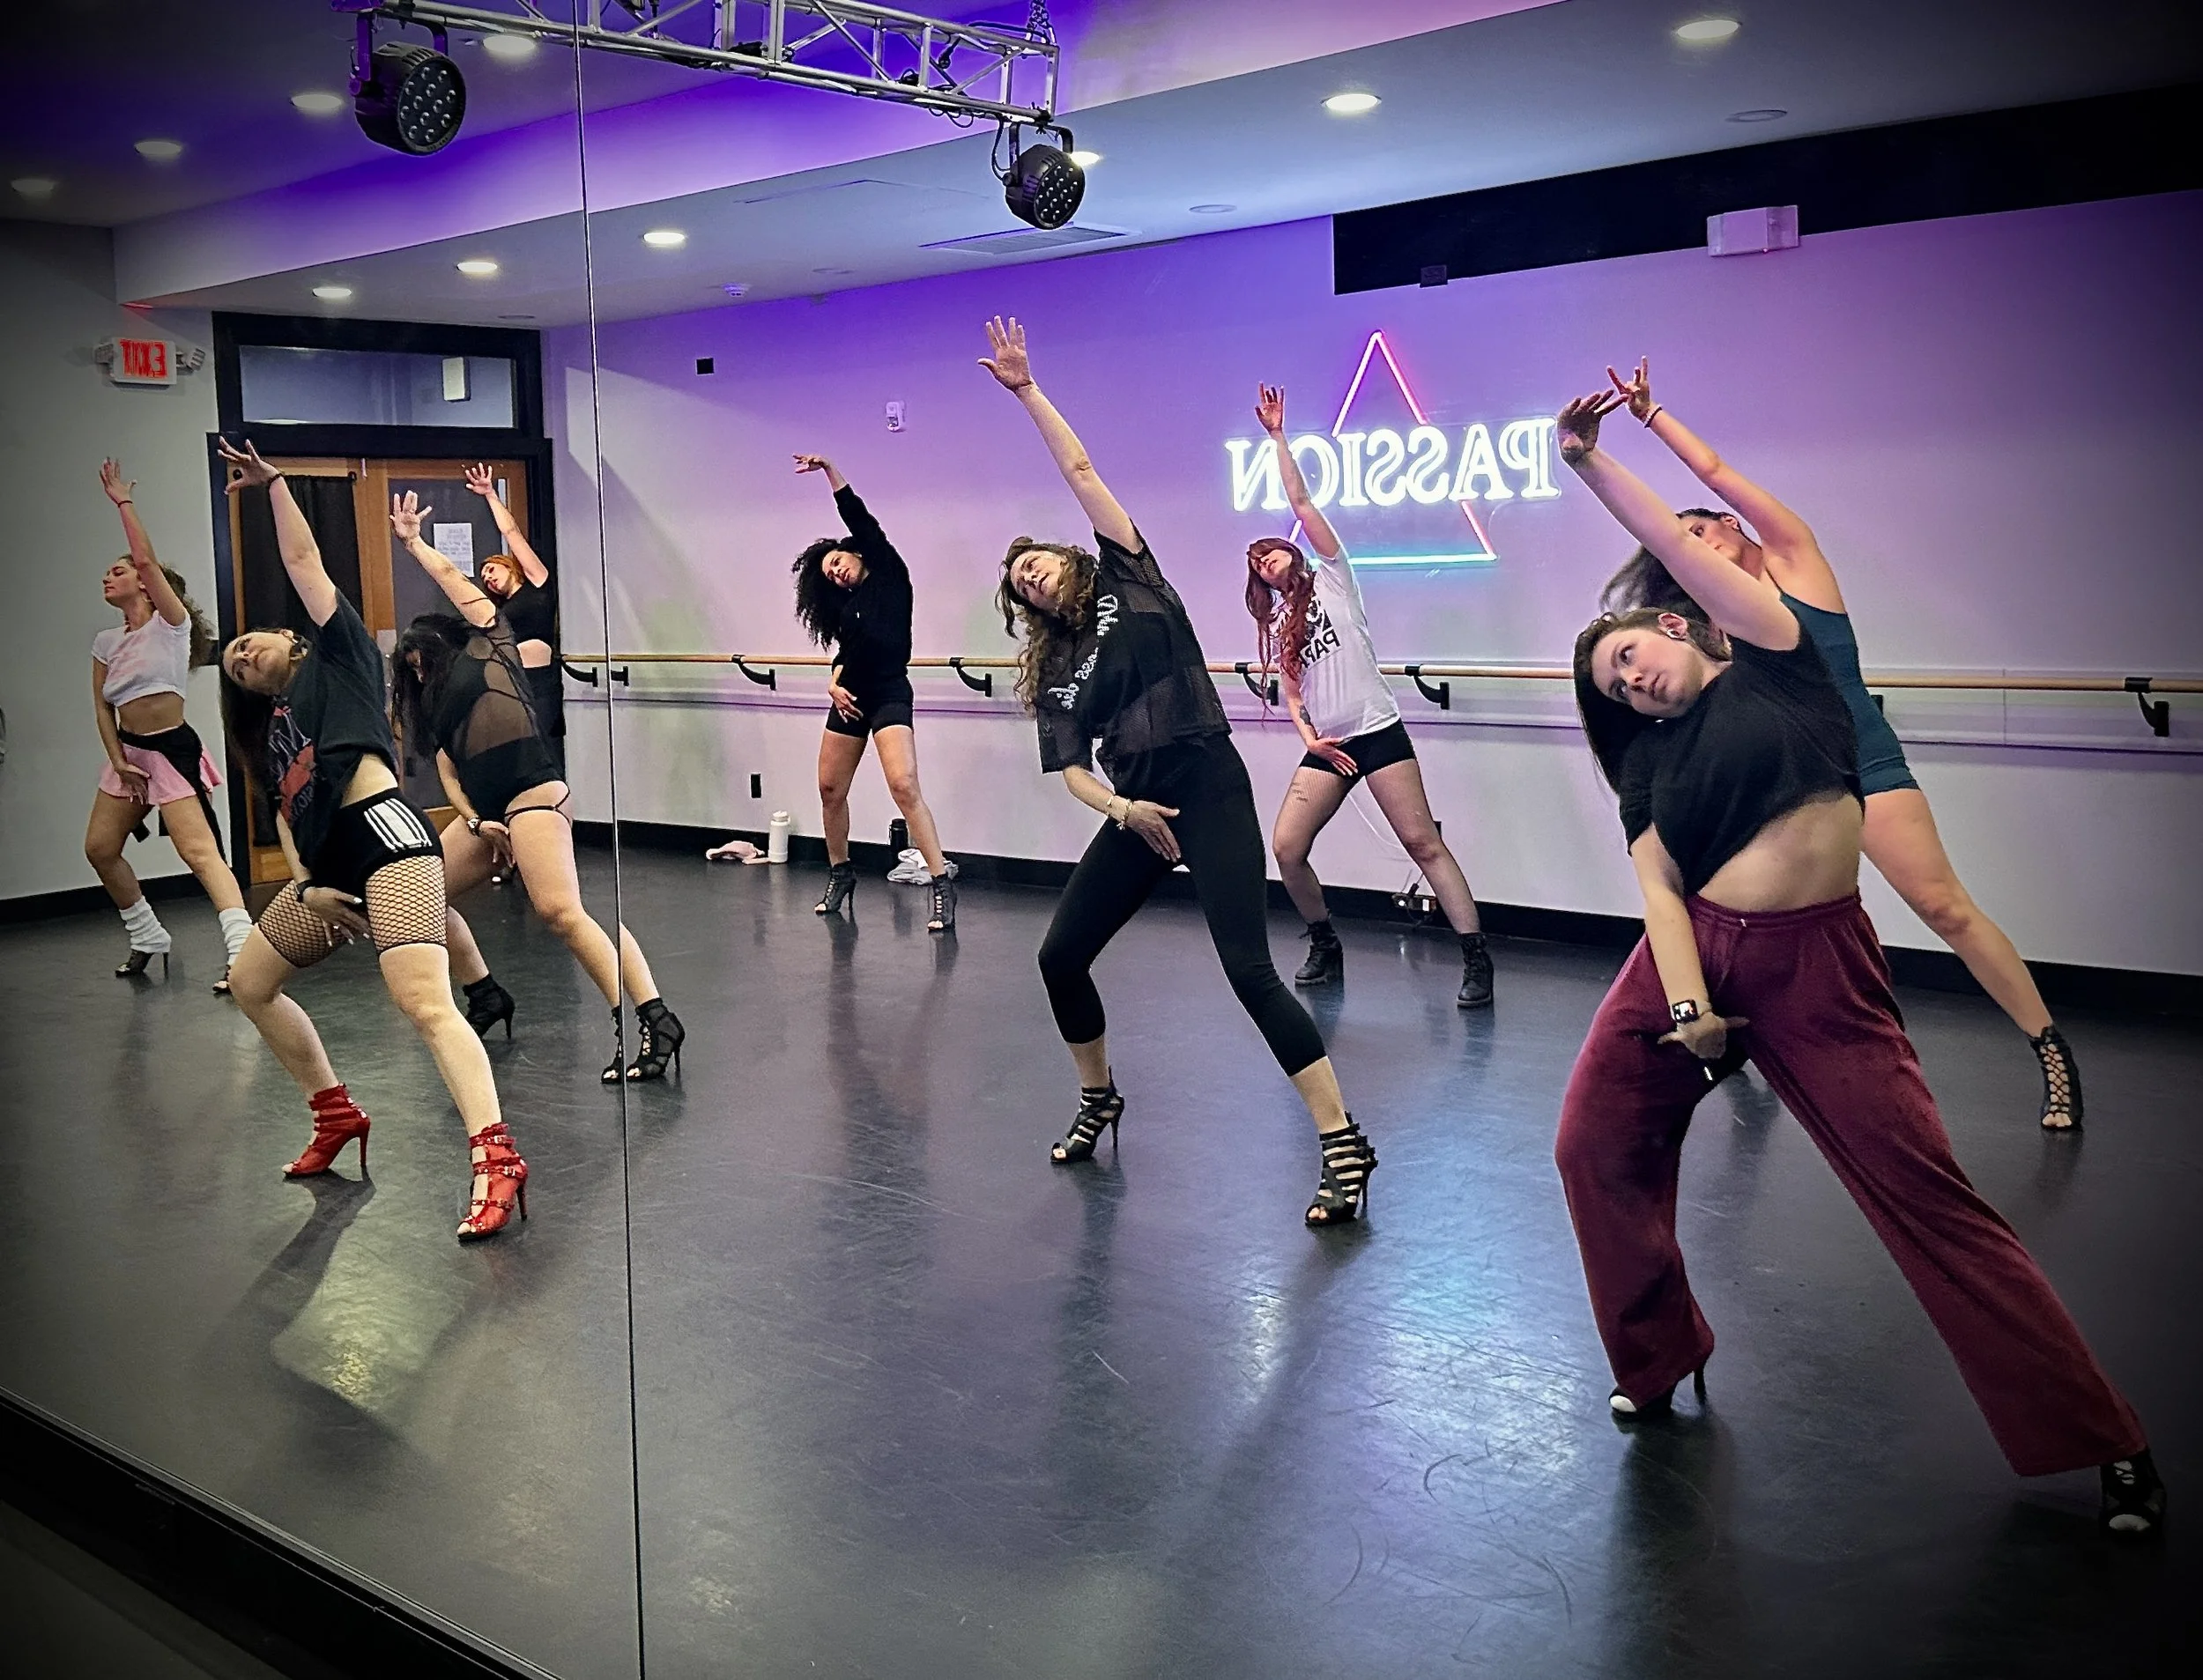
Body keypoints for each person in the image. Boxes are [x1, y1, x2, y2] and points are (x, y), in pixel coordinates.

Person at [1550, 388, 2161, 1535]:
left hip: (1817, 968)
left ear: (1677, 623)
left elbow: (1678, 535)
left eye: (1628, 655)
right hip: (1689, 961)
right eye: (1613, 686)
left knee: (1927, 1194)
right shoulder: (1647, 761)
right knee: (1591, 1141)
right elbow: (1658, 891)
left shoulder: (1783, 658)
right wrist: (1686, 1006)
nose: (1628, 682)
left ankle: (2103, 1436)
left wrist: (1589, 459)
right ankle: (1657, 1353)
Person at [1598, 359, 2081, 1130]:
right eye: (1680, 546)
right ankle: (1728, 1036)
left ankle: (2050, 1049)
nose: (1693, 547)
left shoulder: (1794, 560)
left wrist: (1652, 418)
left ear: (1731, 525)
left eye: (1701, 530)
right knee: (1730, 910)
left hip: (1861, 757)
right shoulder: (1714, 625)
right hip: (1779, 782)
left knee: (1944, 906)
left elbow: (1715, 471)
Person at [981, 316, 1377, 1225]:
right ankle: (1098, 1095)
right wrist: (1122, 810)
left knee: (1248, 969)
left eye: (1035, 565)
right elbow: (1072, 771)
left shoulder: (1132, 577)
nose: (1031, 579)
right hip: (1140, 808)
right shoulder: (1055, 668)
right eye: (1020, 586)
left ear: (1067, 557)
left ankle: (1341, 1139)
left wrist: (1027, 391)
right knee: (1059, 956)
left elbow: (1080, 470)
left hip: (1206, 782)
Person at [214, 440, 526, 1243]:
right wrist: (306, 883)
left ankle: (497, 1157)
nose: (242, 657)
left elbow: (302, 558)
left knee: (423, 1001)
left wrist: (275, 485)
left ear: (290, 636)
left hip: (388, 839)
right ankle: (336, 1113)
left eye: (248, 643)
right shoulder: (276, 729)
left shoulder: (341, 655)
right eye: (235, 667)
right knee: (251, 981)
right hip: (329, 870)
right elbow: (288, 816)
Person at [389, 492, 687, 1082]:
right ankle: (485, 993)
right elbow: (448, 769)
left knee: (561, 912)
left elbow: (454, 581)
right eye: (411, 668)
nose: (418, 671)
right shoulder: (435, 701)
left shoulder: (490, 646)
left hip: (534, 795)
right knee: (423, 898)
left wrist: (413, 543)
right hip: (490, 813)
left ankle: (650, 1019)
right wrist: (476, 820)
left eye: (423, 659)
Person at [1239, 384, 1493, 1007]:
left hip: (1377, 731)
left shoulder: (1333, 576)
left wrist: (1277, 436)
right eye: (1257, 563)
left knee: (1422, 843)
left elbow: (1301, 500)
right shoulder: (1279, 621)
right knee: (1287, 848)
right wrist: (1308, 738)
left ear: (1291, 550)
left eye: (1270, 551)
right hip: (1330, 745)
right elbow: (1292, 691)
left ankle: (1475, 956)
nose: (1266, 562)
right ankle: (1325, 941)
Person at [84, 459, 253, 989]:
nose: (108, 577)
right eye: (108, 572)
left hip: (171, 753)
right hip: (130, 756)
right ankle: (147, 934)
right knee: (100, 849)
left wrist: (123, 502)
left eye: (119, 571)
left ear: (146, 582)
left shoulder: (171, 626)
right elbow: (102, 708)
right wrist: (118, 762)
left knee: (200, 854)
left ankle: (244, 952)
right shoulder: (106, 642)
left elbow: (146, 559)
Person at [790, 452, 958, 933]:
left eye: (836, 562)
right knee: (829, 789)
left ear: (854, 552)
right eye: (829, 575)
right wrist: (833, 681)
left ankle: (941, 883)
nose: (836, 572)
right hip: (850, 696)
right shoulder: (848, 608)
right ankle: (841, 873)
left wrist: (830, 471)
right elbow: (849, 650)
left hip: (888, 691)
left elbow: (856, 514)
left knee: (904, 785)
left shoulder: (887, 569)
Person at [462, 463, 563, 764]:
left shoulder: (537, 582)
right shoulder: (501, 610)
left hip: (541, 684)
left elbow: (511, 532)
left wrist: (490, 495)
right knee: (517, 754)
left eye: (492, 570)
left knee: (544, 753)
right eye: (484, 578)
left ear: (508, 565)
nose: (489, 578)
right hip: (511, 684)